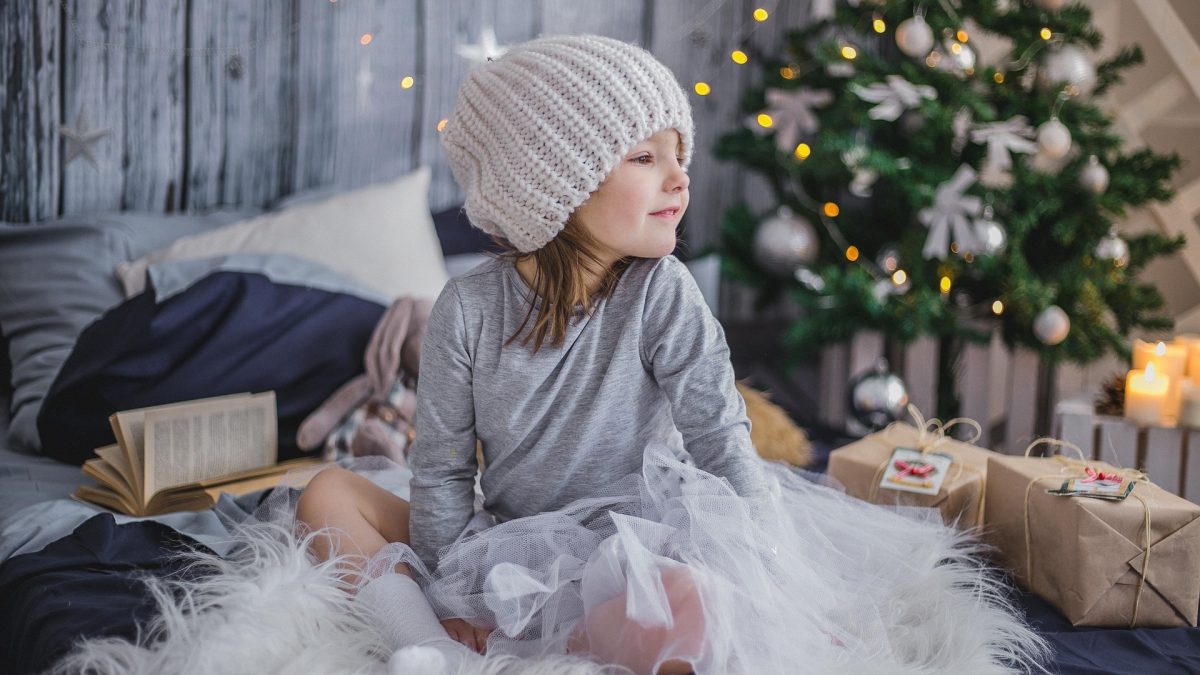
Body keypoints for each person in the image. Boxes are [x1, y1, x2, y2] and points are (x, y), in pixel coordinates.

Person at [295, 34, 1045, 675]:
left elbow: (721, 437)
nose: (680, 179)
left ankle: (551, 642)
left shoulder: (663, 292)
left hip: (639, 537)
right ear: (557, 181)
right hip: (515, 533)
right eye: (645, 157)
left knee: (692, 603)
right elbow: (443, 472)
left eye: (678, 154)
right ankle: (433, 647)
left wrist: (775, 579)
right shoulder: (468, 308)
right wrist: (462, 587)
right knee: (327, 492)